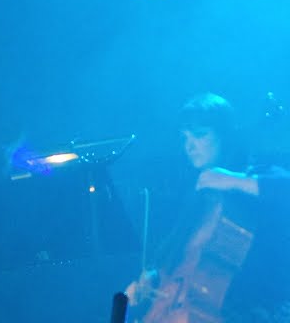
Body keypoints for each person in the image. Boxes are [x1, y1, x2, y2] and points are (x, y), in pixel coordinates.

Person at [124, 93, 290, 322]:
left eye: (200, 135)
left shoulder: (254, 180)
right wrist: (152, 278)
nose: (189, 146)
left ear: (225, 137)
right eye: (185, 138)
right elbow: (186, 263)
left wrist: (234, 180)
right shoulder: (201, 198)